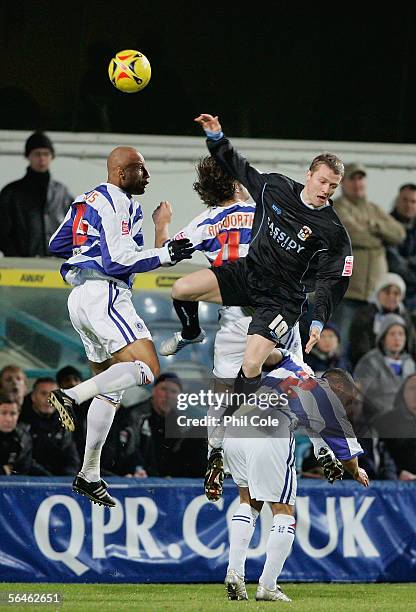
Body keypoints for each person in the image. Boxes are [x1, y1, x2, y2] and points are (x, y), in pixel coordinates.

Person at [171, 113, 352, 407]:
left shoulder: (333, 231)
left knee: (252, 363)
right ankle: (191, 333)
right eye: (322, 181)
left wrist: (318, 320)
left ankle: (238, 411)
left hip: (282, 299)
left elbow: (335, 279)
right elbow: (239, 168)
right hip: (249, 274)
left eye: (333, 186)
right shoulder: (276, 188)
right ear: (309, 175)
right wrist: (216, 137)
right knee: (181, 289)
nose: (325, 190)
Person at [47, 145, 194, 506]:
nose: (147, 176)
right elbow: (116, 262)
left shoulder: (88, 200)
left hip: (82, 298)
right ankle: (70, 395)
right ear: (120, 173)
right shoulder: (114, 199)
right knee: (148, 368)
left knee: (111, 389)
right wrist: (166, 253)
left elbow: (57, 243)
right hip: (105, 293)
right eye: (140, 169)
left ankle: (89, 473)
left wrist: (162, 232)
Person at [151, 155, 304, 498]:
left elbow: (166, 253)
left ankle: (215, 453)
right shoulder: (266, 209)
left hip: (234, 317)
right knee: (297, 376)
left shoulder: (207, 221)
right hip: (275, 310)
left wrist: (162, 223)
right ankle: (322, 447)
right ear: (238, 183)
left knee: (222, 390)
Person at [222, 357, 369, 602]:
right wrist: (355, 471)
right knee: (283, 510)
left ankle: (234, 572)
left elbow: (268, 353)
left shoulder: (293, 368)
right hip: (270, 431)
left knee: (248, 502)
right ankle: (268, 586)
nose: (346, 405)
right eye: (348, 399)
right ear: (340, 387)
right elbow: (344, 443)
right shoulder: (327, 397)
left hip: (236, 425)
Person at [332, 163, 406, 348]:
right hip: (348, 292)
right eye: (352, 178)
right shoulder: (337, 206)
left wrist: (374, 225)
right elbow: (353, 234)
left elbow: (399, 234)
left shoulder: (374, 209)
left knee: (371, 345)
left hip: (375, 295)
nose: (357, 183)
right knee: (342, 344)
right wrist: (381, 239)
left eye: (360, 178)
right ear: (342, 182)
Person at [0, 131, 73, 256]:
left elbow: (75, 226)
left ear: (52, 156)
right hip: (20, 264)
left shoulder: (62, 192)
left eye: (46, 154)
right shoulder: (11, 192)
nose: (42, 159)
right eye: (37, 154)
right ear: (28, 156)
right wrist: (15, 256)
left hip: (55, 263)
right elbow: (2, 231)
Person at [137, 372, 207, 477]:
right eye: (164, 389)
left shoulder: (180, 422)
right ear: (153, 391)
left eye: (174, 391)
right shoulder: (136, 416)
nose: (168, 396)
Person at [353, 313, 416, 422]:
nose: (397, 338)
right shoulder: (369, 362)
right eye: (392, 334)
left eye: (401, 334)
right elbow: (359, 397)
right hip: (376, 422)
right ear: (383, 338)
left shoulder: (410, 363)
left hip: (406, 422)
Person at [348, 272, 416, 368]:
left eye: (396, 293)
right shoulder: (365, 315)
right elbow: (359, 347)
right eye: (387, 292)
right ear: (378, 293)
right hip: (371, 367)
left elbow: (412, 345)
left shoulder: (405, 317)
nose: (391, 297)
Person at [19, 377, 80, 476]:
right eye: (43, 394)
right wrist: (48, 478)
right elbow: (24, 461)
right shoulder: (20, 421)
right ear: (33, 397)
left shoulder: (65, 422)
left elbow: (72, 458)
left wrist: (66, 480)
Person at [375, 373, 416, 480]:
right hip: (396, 486)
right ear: (403, 393)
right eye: (412, 388)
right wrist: (397, 475)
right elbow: (382, 458)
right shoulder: (385, 422)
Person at [387, 183, 416, 315]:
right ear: (397, 201)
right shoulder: (387, 225)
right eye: (404, 200)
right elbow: (393, 261)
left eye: (413, 201)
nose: (408, 205)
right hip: (392, 292)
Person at [0, 392, 33, 476]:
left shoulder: (24, 437)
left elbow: (23, 469)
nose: (8, 419)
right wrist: (3, 470)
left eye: (13, 414)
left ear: (18, 414)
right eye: (3, 413)